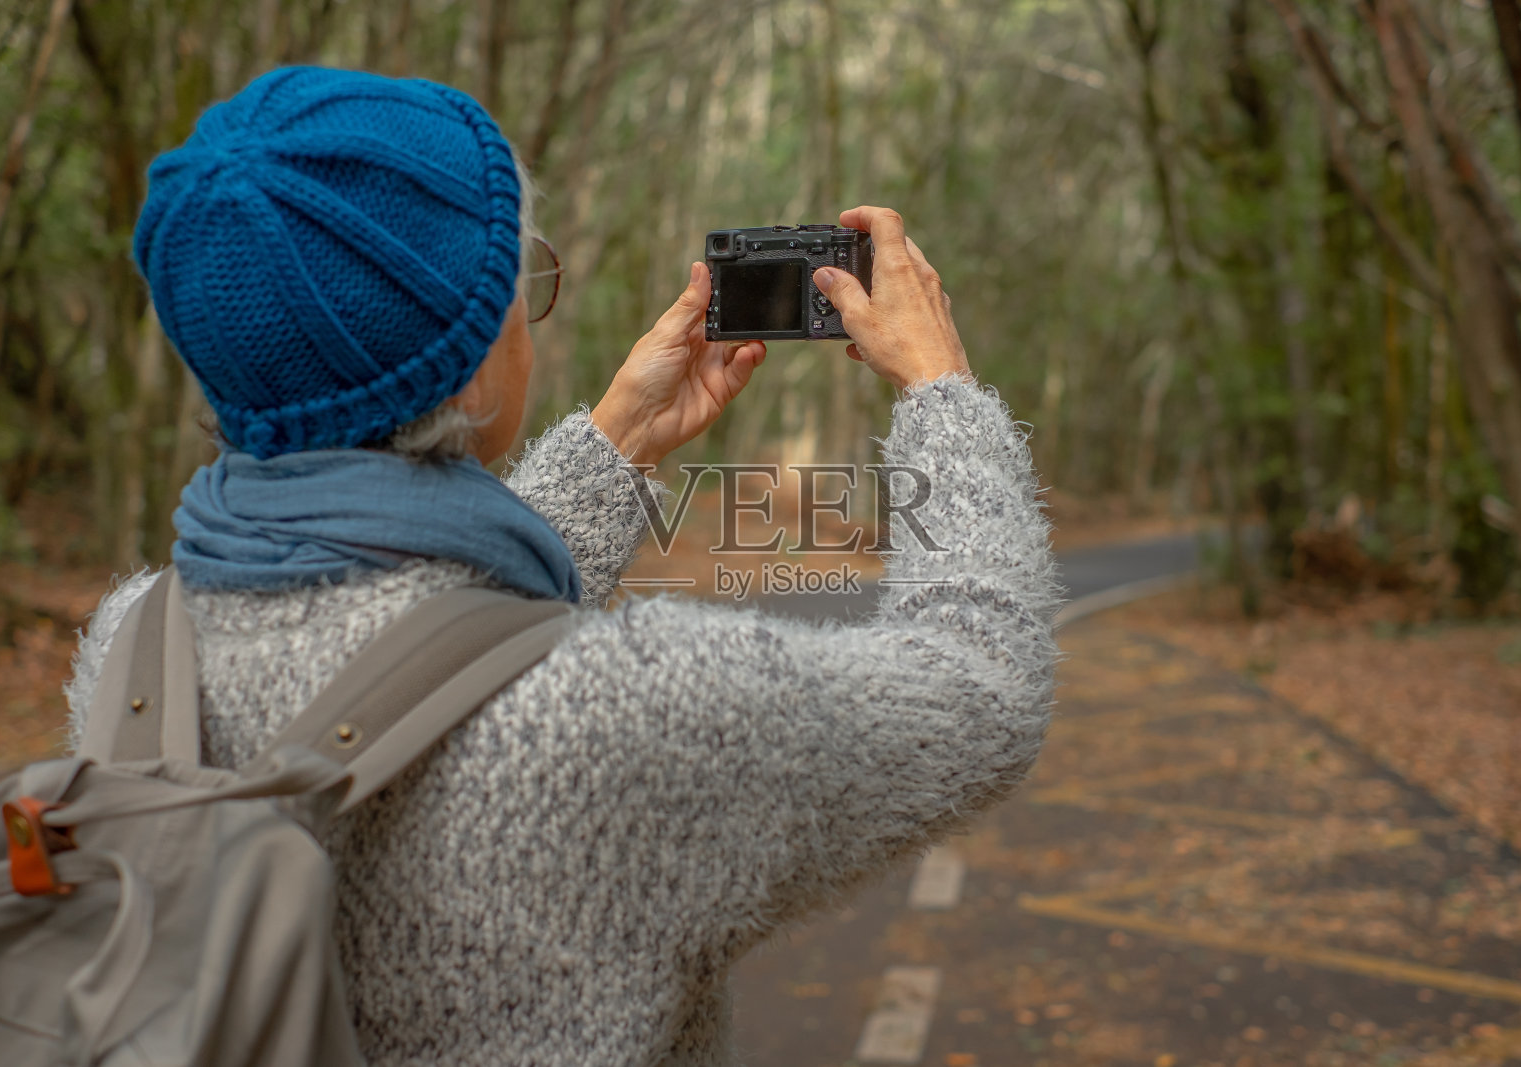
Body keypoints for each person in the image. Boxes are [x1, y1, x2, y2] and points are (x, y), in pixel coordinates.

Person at [63, 67, 1059, 1066]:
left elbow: (417, 637)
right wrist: (941, 392)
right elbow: (979, 689)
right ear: (471, 350)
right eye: (518, 281)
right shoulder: (634, 711)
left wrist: (616, 443)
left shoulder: (138, 648)